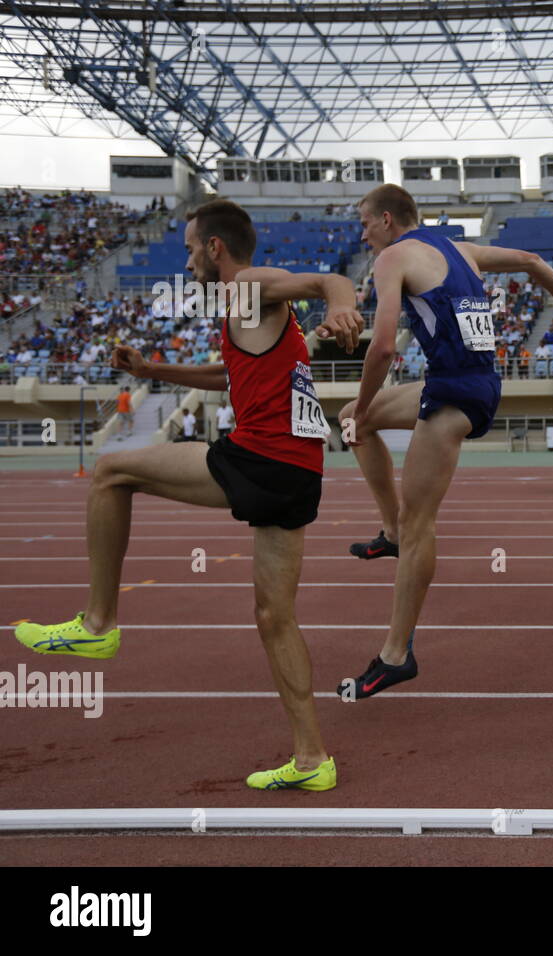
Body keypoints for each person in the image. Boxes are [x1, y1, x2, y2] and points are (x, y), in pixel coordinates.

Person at [12, 198, 365, 791]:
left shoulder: (250, 283)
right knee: (275, 617)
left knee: (110, 472)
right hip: (298, 475)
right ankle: (312, 760)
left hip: (259, 458)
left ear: (215, 248)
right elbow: (229, 376)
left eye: (189, 248)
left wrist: (344, 307)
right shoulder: (247, 311)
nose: (187, 260)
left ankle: (98, 624)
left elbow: (330, 278)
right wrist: (153, 371)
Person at [337, 184, 553, 697]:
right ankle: (388, 532)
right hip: (469, 383)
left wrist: (367, 402)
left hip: (453, 393)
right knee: (352, 420)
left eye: (364, 222)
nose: (361, 233)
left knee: (419, 519)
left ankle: (396, 653)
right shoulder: (460, 248)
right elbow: (530, 260)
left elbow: (384, 347)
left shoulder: (393, 258)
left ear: (387, 219)